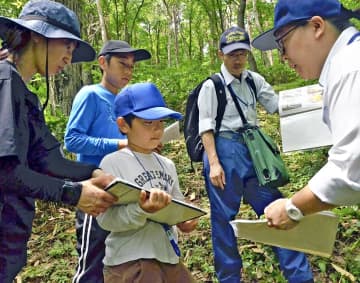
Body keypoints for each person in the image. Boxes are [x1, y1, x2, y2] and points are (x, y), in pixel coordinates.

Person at [0, 0, 118, 282]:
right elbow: (5, 172)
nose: (69, 56)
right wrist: (74, 194)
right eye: (67, 45)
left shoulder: (22, 91)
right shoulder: (5, 81)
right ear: (38, 36)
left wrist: (92, 173)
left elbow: (47, 161)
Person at [198, 26, 314, 283]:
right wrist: (214, 164)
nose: (238, 59)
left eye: (242, 53)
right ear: (221, 55)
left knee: (278, 209)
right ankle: (229, 278)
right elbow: (205, 128)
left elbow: (277, 106)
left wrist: (313, 99)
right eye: (232, 54)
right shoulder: (212, 86)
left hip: (253, 151)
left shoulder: (253, 80)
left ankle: (300, 276)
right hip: (224, 150)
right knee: (224, 219)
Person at [251, 0, 360, 230]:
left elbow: (352, 166)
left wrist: (293, 207)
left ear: (317, 26)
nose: (283, 56)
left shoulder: (350, 66)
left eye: (282, 43)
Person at [64, 40, 151, 283]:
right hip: (96, 189)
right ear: (103, 63)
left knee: (121, 261)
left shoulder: (126, 102)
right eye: (122, 65)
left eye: (132, 67)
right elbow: (72, 140)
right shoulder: (90, 95)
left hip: (125, 186)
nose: (128, 71)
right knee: (92, 260)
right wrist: (119, 144)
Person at [96, 82, 198, 283]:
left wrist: (185, 220)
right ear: (123, 125)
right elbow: (105, 219)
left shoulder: (167, 164)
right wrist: (142, 210)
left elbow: (177, 206)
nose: (157, 130)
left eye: (160, 122)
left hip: (169, 258)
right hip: (131, 261)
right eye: (147, 123)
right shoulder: (113, 163)